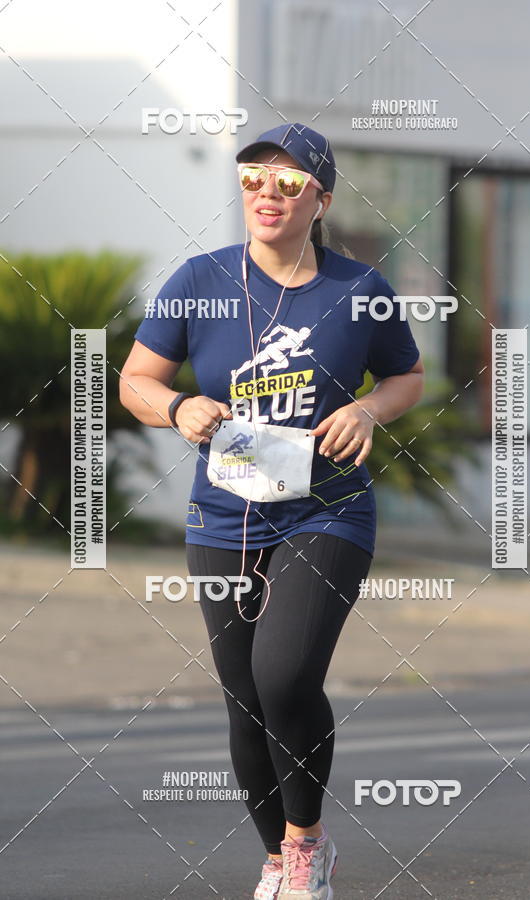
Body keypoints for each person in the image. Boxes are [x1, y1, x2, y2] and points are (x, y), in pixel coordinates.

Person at [120, 122, 424, 899]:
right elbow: (135, 381)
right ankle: (277, 856)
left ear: (321, 200)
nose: (267, 192)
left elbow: (408, 376)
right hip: (224, 516)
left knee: (283, 676)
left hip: (328, 511)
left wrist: (368, 409)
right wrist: (177, 405)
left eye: (289, 182)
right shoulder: (199, 280)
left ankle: (307, 842)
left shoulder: (360, 289)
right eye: (254, 177)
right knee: (245, 698)